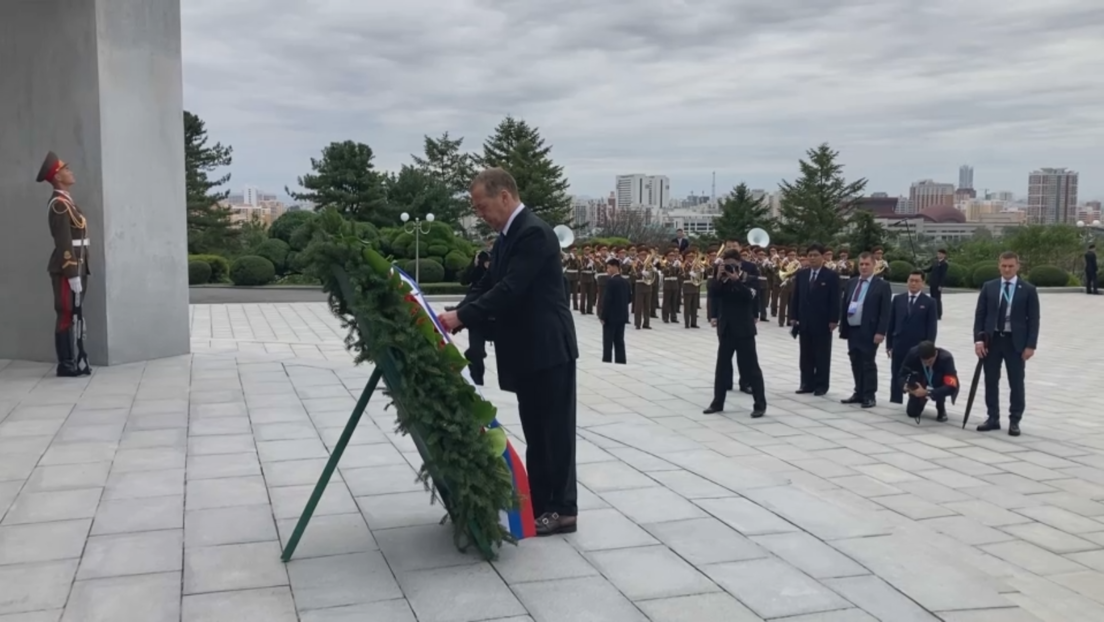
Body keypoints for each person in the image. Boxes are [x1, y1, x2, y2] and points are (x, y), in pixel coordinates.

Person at [439, 168, 579, 536]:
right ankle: (541, 504)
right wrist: (455, 314)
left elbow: (510, 289)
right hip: (527, 349)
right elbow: (487, 284)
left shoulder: (533, 233)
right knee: (536, 432)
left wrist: (461, 317)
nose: (480, 214)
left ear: (504, 196)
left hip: (548, 347)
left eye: (482, 206)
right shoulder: (506, 237)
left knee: (555, 433)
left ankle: (563, 509)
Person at [972, 251, 1040, 437]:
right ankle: (992, 417)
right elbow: (980, 315)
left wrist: (1030, 345)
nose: (1007, 269)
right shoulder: (989, 287)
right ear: (999, 266)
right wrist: (978, 340)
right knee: (991, 380)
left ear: (1018, 266)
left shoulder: (1028, 289)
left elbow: (1034, 319)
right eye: (1004, 266)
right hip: (992, 340)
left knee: (1016, 382)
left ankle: (1015, 420)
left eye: (1011, 266)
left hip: (1015, 342)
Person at [38, 151, 91, 378]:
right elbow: (63, 242)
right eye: (66, 169)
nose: (71, 172)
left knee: (74, 313)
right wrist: (71, 273)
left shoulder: (67, 202)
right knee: (66, 312)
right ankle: (66, 364)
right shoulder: (59, 205)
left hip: (78, 265)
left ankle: (75, 360)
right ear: (58, 177)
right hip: (66, 268)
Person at [703, 250, 766, 418]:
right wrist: (718, 277)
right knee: (721, 368)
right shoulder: (721, 280)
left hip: (744, 330)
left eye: (732, 264)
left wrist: (736, 280)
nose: (729, 268)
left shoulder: (750, 279)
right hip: (726, 329)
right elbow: (713, 295)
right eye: (726, 264)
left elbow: (749, 297)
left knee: (751, 368)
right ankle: (717, 402)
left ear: (739, 263)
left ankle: (759, 404)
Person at [838, 252, 892, 407]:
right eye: (861, 264)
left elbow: (885, 311)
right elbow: (845, 304)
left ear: (874, 265)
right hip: (853, 328)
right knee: (855, 360)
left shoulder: (881, 285)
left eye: (867, 264)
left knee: (868, 362)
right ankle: (858, 392)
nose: (864, 267)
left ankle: (869, 395)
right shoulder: (852, 282)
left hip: (870, 330)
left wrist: (881, 332)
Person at [790, 243, 841, 395]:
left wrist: (834, 319)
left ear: (823, 257)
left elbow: (835, 299)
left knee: (822, 355)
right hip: (804, 321)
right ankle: (807, 383)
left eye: (816, 255)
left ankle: (821, 385)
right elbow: (796, 297)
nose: (812, 258)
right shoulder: (802, 274)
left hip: (822, 321)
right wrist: (793, 316)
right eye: (810, 255)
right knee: (805, 354)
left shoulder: (831, 276)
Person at [887, 271, 938, 405]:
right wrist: (889, 344)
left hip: (917, 347)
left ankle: (914, 402)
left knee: (916, 375)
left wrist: (929, 349)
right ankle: (895, 401)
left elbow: (932, 328)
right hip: (899, 344)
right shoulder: (898, 299)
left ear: (923, 283)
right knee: (896, 374)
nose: (913, 283)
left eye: (917, 281)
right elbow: (891, 323)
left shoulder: (929, 302)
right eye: (911, 280)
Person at [900, 340, 959, 422]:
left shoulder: (946, 358)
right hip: (921, 380)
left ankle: (941, 407)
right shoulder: (913, 354)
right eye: (924, 362)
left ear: (935, 354)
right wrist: (905, 385)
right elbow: (902, 374)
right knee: (912, 413)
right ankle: (920, 402)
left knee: (941, 384)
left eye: (930, 361)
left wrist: (927, 392)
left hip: (938, 382)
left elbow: (951, 386)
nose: (927, 364)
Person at [459, 246, 492, 385]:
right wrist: (474, 264)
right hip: (477, 313)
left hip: (495, 314)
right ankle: (477, 380)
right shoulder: (478, 266)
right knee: (475, 350)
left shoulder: (500, 263)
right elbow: (464, 280)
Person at [599, 258, 630, 364]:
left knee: (608, 341)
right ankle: (621, 361)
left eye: (609, 267)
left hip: (611, 317)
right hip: (622, 316)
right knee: (619, 341)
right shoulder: (625, 281)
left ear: (615, 267)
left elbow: (607, 301)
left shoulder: (611, 282)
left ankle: (607, 360)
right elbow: (629, 298)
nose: (607, 270)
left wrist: (603, 316)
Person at [925, 249, 949, 318]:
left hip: (938, 284)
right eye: (938, 254)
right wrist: (921, 270)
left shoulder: (944, 264)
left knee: (937, 299)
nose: (938, 255)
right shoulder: (935, 262)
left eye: (940, 254)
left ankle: (938, 314)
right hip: (932, 283)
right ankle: (933, 313)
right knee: (932, 298)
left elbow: (943, 275)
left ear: (944, 255)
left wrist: (941, 285)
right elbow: (929, 269)